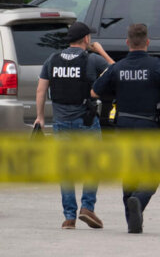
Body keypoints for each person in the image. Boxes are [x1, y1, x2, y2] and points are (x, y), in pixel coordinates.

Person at [91, 23, 160, 234]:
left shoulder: (117, 68)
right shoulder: (159, 66)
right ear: (148, 42)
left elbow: (94, 92)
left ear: (127, 43)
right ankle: (139, 200)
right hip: (149, 126)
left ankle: (132, 220)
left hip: (123, 125)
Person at [34, 21, 114, 230]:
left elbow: (41, 90)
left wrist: (40, 117)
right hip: (86, 123)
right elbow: (116, 73)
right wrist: (103, 52)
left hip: (61, 124)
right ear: (86, 39)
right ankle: (87, 207)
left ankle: (69, 217)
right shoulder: (93, 60)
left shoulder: (52, 59)